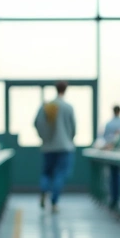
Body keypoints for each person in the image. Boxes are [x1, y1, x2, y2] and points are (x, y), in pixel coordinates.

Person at [35, 81, 77, 212]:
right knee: (60, 174)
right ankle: (54, 202)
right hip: (64, 147)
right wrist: (69, 139)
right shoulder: (68, 107)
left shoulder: (46, 106)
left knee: (46, 173)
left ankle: (43, 191)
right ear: (66, 90)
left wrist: (44, 138)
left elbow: (36, 123)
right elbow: (73, 128)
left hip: (48, 147)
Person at [102, 106, 120, 208]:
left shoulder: (109, 124)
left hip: (112, 153)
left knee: (112, 175)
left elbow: (105, 139)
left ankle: (114, 198)